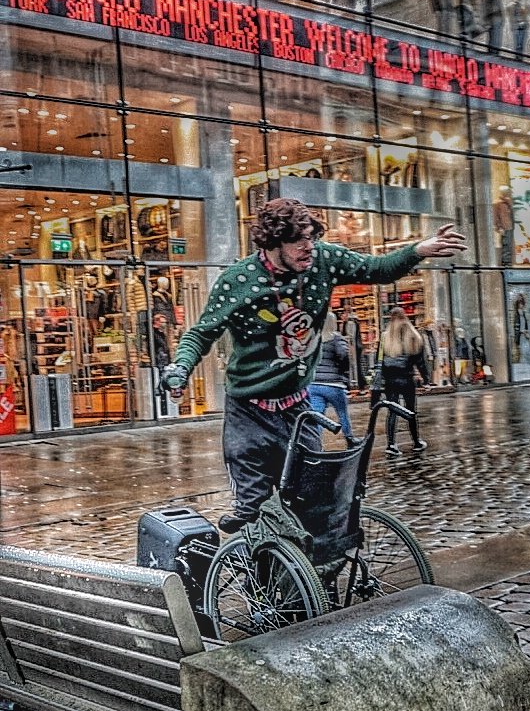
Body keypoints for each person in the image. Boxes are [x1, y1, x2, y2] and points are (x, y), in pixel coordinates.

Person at [161, 198, 466, 530]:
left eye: (312, 237)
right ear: (273, 241)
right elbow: (202, 333)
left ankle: (310, 575)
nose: (309, 247)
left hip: (296, 407)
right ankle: (256, 572)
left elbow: (375, 269)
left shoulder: (323, 261)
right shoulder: (237, 281)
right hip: (248, 411)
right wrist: (180, 368)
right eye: (299, 240)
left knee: (311, 502)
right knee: (253, 507)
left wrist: (419, 249)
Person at [380, 307, 431, 457]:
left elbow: (380, 362)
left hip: (390, 380)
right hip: (407, 378)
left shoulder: (385, 337)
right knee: (410, 411)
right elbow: (420, 361)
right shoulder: (413, 336)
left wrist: (381, 378)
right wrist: (426, 379)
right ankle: (416, 441)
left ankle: (391, 444)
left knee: (392, 412)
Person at [307, 312, 359, 448]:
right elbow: (344, 356)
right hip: (334, 384)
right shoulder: (336, 338)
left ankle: (316, 444)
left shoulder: (313, 340)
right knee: (342, 413)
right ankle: (350, 439)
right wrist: (343, 373)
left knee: (319, 416)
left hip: (314, 384)